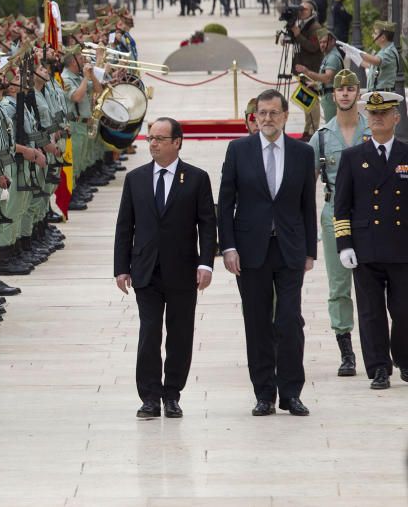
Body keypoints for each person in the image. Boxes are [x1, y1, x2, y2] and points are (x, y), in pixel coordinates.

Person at [218, 89, 317, 417]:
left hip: (289, 248)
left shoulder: (302, 153)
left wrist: (310, 250)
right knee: (257, 321)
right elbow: (226, 203)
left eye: (274, 113)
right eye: (262, 113)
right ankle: (264, 393)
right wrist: (228, 247)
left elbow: (307, 204)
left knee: (290, 320)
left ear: (286, 116)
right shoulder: (238, 150)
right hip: (250, 250)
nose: (267, 119)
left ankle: (291, 392)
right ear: (255, 116)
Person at [114, 118, 216, 419]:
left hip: (183, 270)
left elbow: (208, 225)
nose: (154, 144)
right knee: (149, 333)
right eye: (151, 139)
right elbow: (125, 226)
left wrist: (206, 263)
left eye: (160, 138)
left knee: (180, 334)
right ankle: (149, 396)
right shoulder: (136, 179)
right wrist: (121, 267)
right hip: (146, 270)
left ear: (177, 142)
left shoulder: (196, 178)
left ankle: (172, 393)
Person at [333, 90, 408, 390]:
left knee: (404, 310)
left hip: (402, 246)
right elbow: (342, 205)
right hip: (366, 246)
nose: (377, 117)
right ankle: (379, 367)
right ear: (366, 117)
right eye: (373, 113)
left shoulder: (406, 154)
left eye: (383, 113)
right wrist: (344, 243)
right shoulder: (353, 157)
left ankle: (404, 359)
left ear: (396, 117)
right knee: (370, 312)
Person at [310, 70, 369, 377]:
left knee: (377, 283)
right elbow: (306, 183)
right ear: (333, 95)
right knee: (338, 286)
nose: (345, 93)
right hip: (335, 215)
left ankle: (382, 348)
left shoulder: (372, 130)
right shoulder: (322, 137)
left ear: (358, 93)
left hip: (371, 216)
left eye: (350, 88)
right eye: (340, 89)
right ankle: (346, 351)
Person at [290, 0, 323, 140]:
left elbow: (313, 47)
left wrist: (298, 35)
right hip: (303, 68)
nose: (301, 12)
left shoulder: (315, 27)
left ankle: (313, 130)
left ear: (312, 12)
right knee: (306, 100)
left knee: (312, 101)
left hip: (311, 68)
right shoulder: (302, 25)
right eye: (300, 9)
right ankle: (307, 129)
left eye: (305, 10)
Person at [295, 29, 343, 122]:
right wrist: (316, 83)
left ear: (333, 41)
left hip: (331, 98)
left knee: (331, 127)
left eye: (325, 42)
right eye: (320, 42)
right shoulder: (329, 55)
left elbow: (327, 78)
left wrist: (307, 72)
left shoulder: (332, 57)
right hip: (328, 96)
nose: (322, 45)